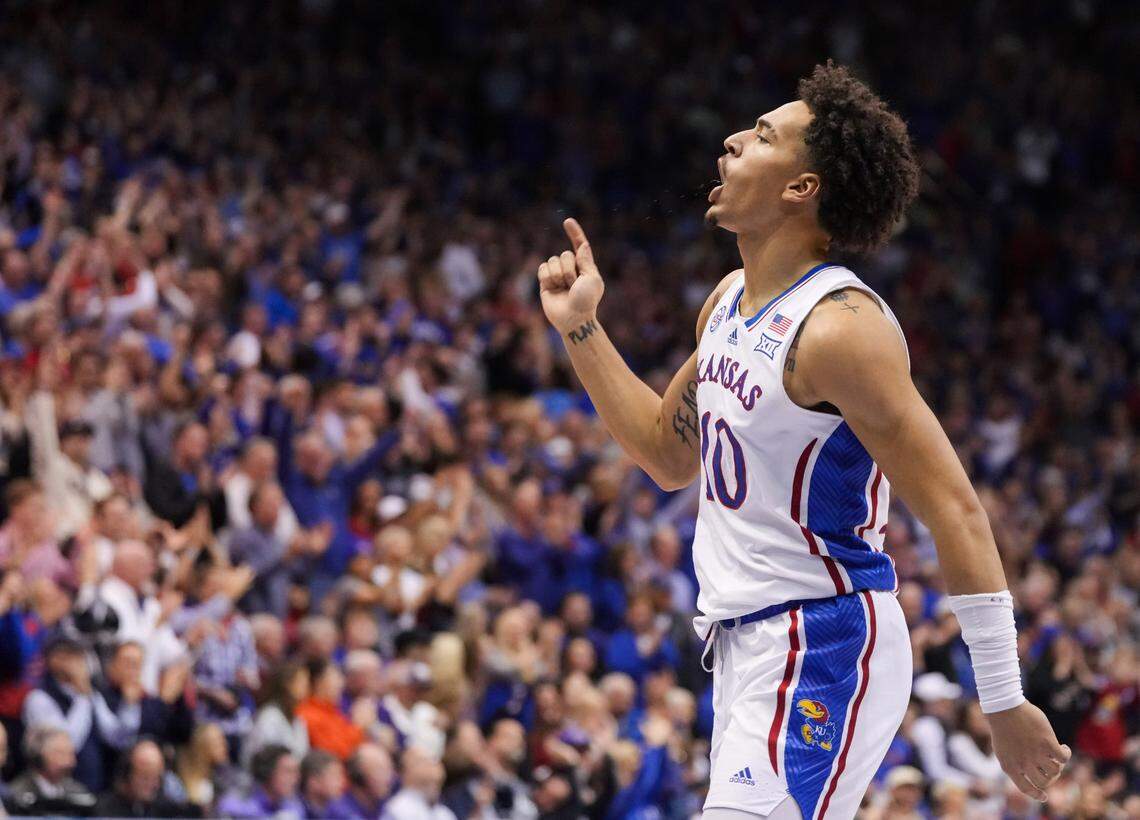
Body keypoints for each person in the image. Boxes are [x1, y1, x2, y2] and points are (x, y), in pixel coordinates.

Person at [534, 61, 1068, 819]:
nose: (730, 141)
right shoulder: (727, 303)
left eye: (760, 136)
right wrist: (582, 329)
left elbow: (955, 508)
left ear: (801, 187)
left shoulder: (840, 329)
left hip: (824, 638)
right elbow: (666, 454)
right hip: (746, 647)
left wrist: (1003, 698)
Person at [3, 726, 96, 816]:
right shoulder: (16, 794)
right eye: (61, 754)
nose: (70, 762)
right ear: (37, 756)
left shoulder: (79, 792)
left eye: (71, 754)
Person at [93, 739, 199, 818]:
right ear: (127, 775)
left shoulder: (167, 810)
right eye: (145, 777)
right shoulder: (103, 811)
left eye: (156, 777)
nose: (153, 784)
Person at [216, 744, 304, 819]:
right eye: (288, 771)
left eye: (297, 772)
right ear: (267, 772)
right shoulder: (237, 805)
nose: (296, 778)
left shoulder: (294, 807)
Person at [380, 746, 455, 820]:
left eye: (433, 763)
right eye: (423, 762)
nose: (432, 770)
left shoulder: (444, 813)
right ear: (405, 772)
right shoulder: (398, 809)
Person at [326, 743, 395, 820]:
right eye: (381, 770)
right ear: (359, 776)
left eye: (388, 770)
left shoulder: (385, 807)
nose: (390, 778)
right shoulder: (340, 813)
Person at [299, 749, 347, 819]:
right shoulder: (295, 813)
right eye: (334, 776)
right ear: (313, 781)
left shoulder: (339, 811)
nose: (341, 782)